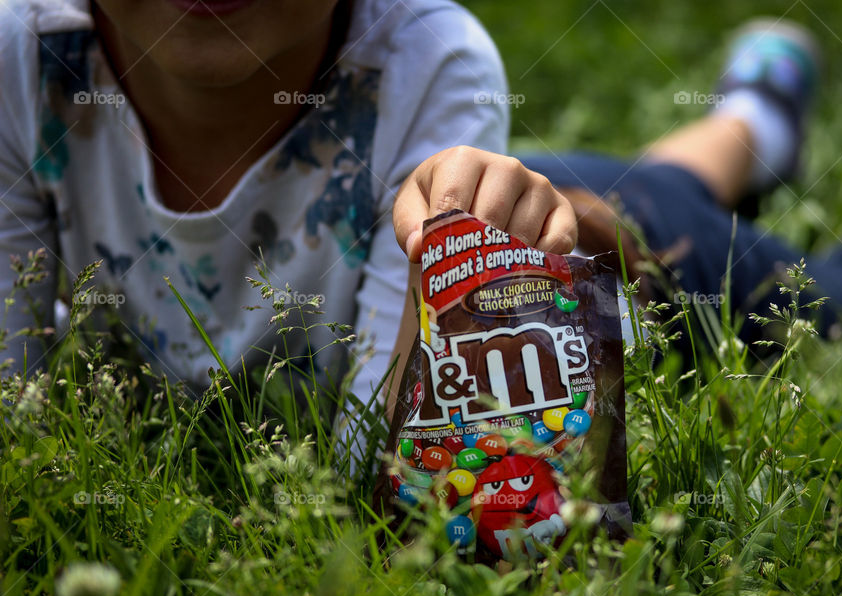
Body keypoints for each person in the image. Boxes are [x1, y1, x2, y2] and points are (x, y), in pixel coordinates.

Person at [0, 0, 576, 436]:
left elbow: (396, 469)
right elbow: (13, 418)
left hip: (575, 204)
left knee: (603, 214)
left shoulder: (427, 62)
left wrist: (442, 255)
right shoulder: (22, 52)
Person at [520, 19, 842, 342]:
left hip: (639, 257)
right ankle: (759, 115)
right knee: (657, 184)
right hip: (551, 182)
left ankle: (758, 120)